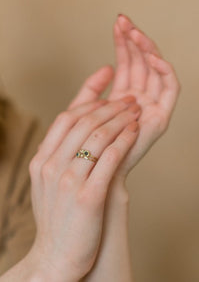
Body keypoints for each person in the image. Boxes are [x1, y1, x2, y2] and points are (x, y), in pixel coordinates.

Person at [0, 14, 180, 281]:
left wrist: (104, 178)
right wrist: (47, 264)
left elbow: (76, 261)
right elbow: (57, 264)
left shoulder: (20, 139)